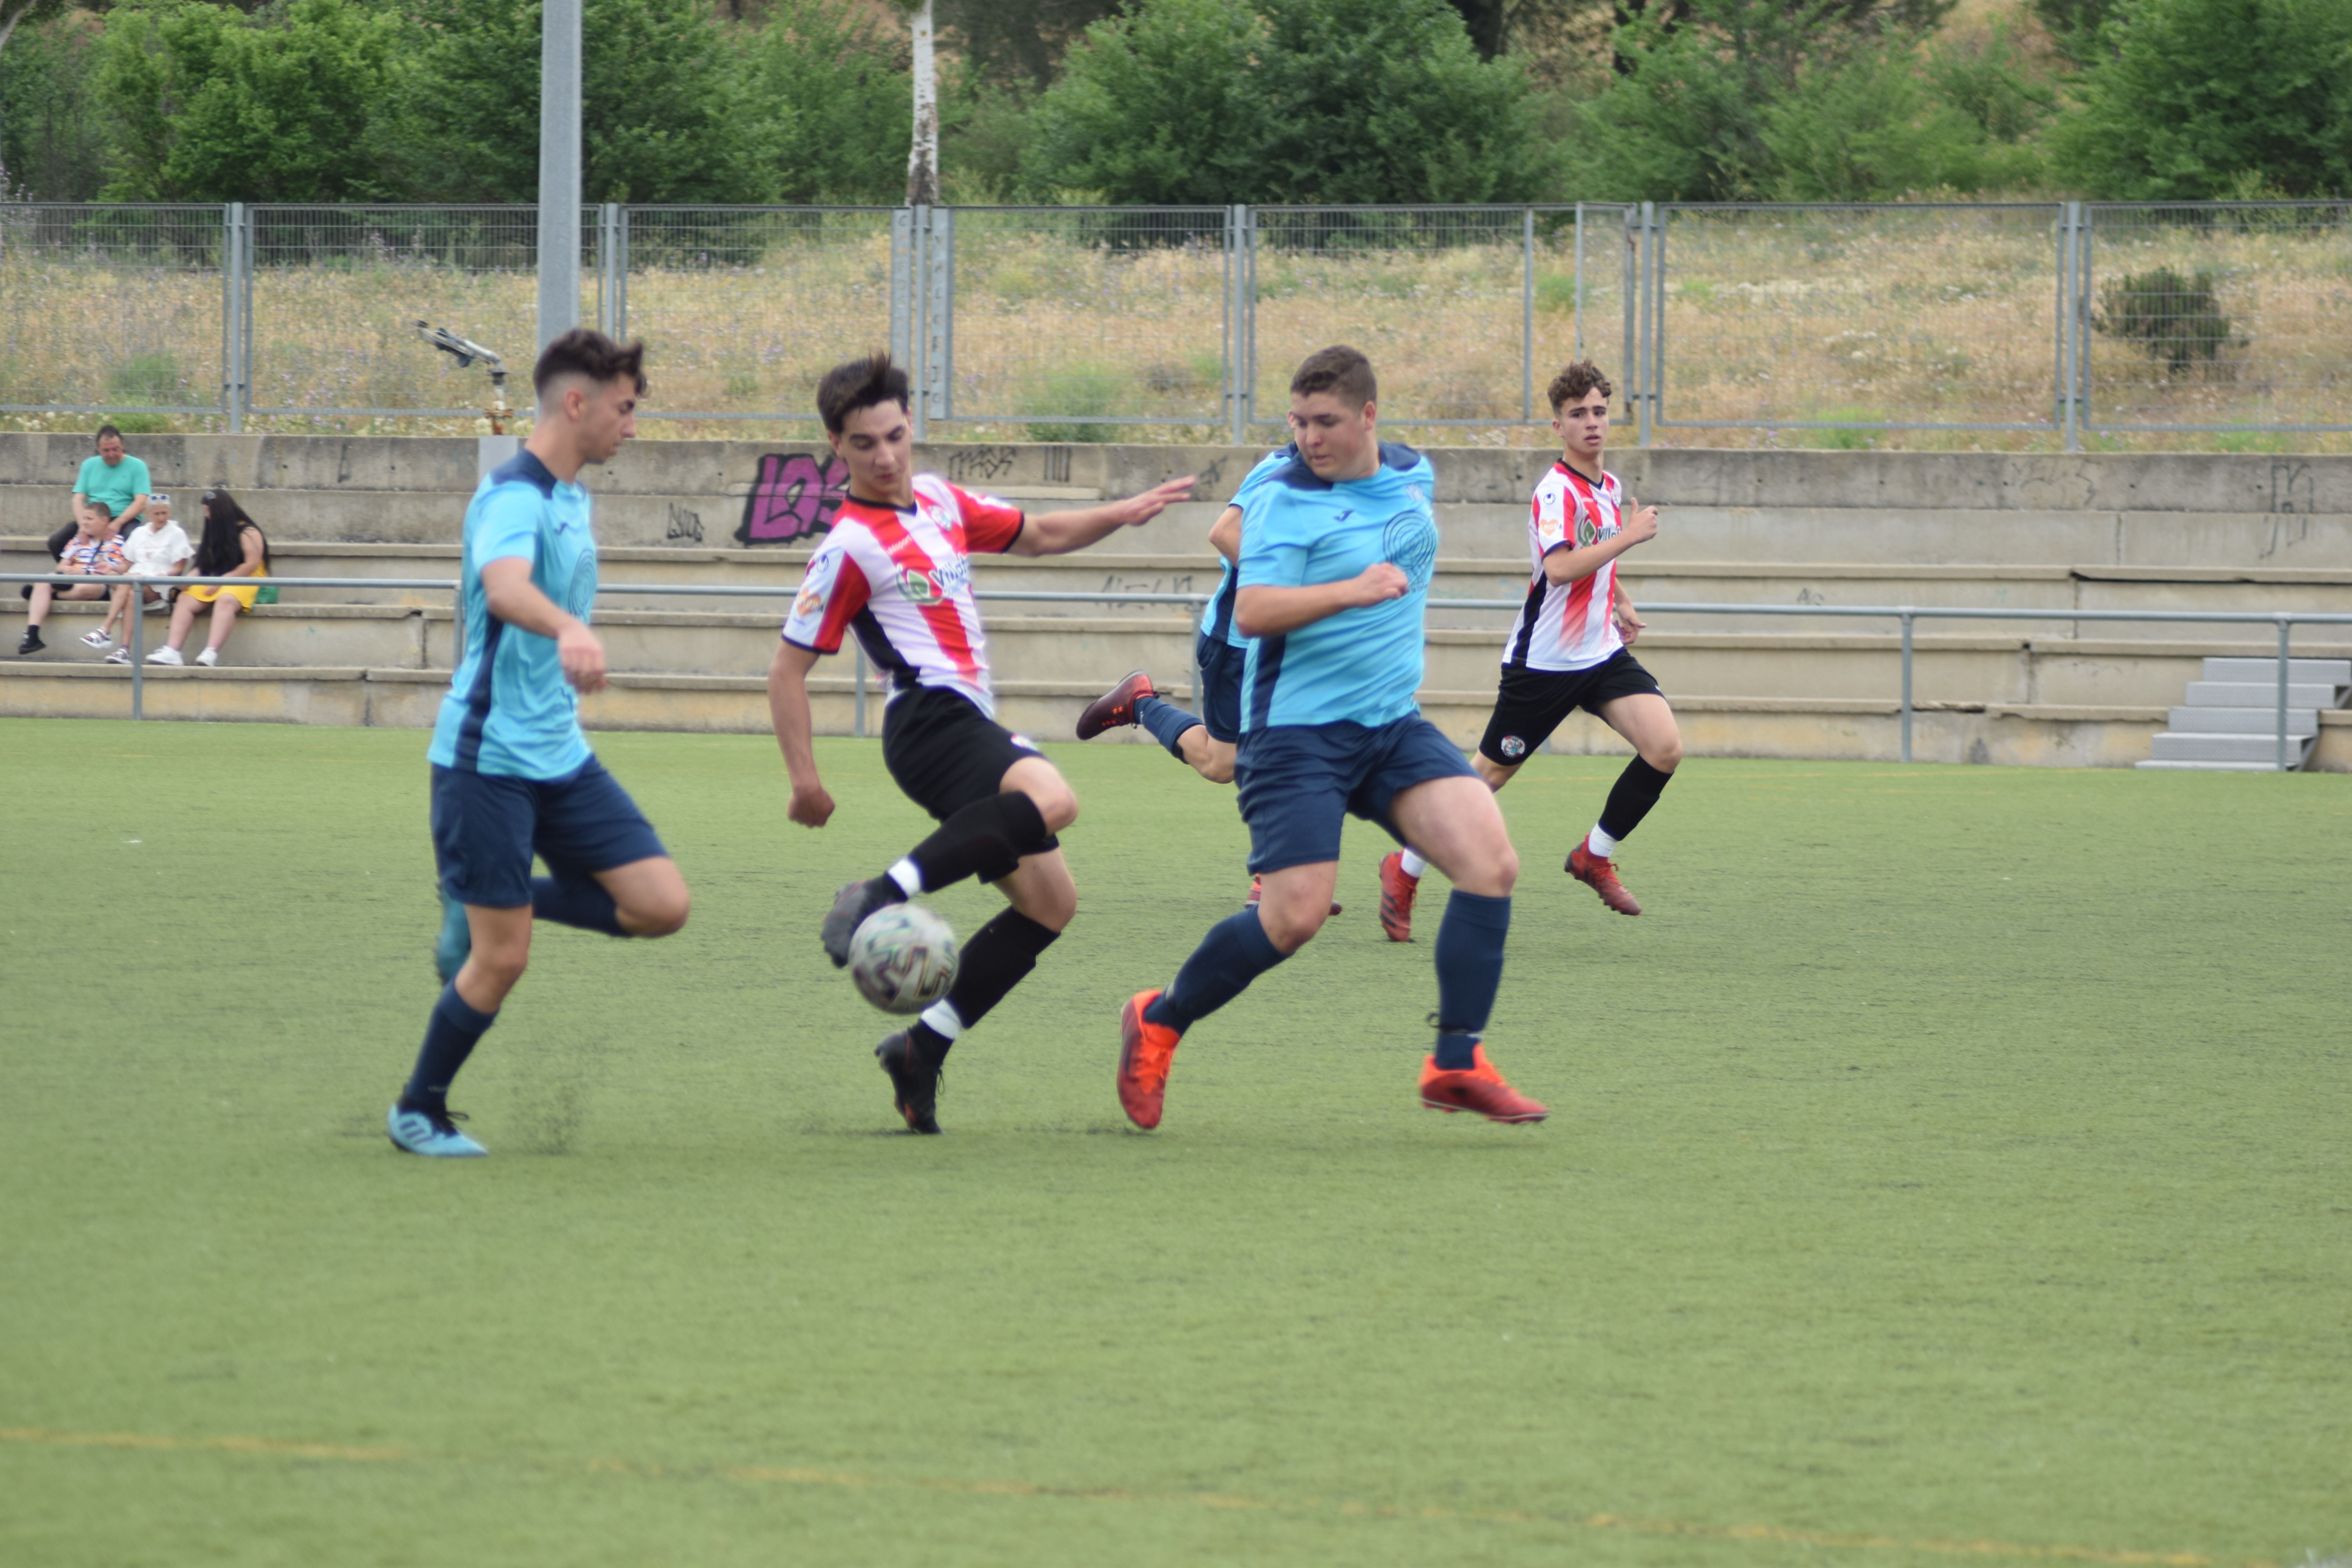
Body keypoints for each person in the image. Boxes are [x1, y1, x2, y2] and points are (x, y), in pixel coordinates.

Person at [1117, 346, 1546, 1131]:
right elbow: (1254, 611)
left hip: (1389, 724)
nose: (1310, 437)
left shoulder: (1415, 474)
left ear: (1369, 417)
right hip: (1297, 735)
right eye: (1299, 421)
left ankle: (1455, 1061)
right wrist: (1353, 588)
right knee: (1294, 918)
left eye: (1327, 422)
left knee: (1491, 861)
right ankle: (1160, 1019)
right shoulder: (1284, 498)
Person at [767, 352, 1195, 1135]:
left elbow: (1036, 533)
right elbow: (786, 669)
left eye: (896, 435)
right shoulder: (848, 546)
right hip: (929, 724)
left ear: (910, 425)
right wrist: (805, 779)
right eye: (865, 444)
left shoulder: (936, 498)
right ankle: (878, 894)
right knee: (1054, 799)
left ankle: (922, 1049)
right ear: (837, 445)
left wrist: (1122, 511)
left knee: (1051, 905)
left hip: (965, 721)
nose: (887, 457)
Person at [386, 328, 692, 1159]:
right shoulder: (512, 495)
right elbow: (506, 587)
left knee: (662, 905)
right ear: (576, 402)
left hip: (559, 756)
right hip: (485, 760)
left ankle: (488, 896)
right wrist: (567, 627)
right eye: (625, 409)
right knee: (500, 960)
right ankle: (420, 1109)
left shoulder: (572, 495)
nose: (632, 426)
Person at [1376, 361, 1683, 938]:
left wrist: (1620, 600)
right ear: (1558, 426)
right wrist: (1631, 536)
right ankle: (1405, 867)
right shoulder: (1553, 492)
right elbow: (1562, 567)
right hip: (1543, 665)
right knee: (1484, 781)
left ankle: (1593, 855)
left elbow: (1596, 557)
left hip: (1601, 656)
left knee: (1664, 748)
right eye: (1578, 415)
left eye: (1598, 411)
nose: (1591, 423)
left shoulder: (1609, 487)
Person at [1073, 439, 1341, 917]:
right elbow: (1224, 533)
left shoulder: (1347, 475)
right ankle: (1140, 704)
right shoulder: (1282, 467)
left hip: (1285, 642)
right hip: (1238, 641)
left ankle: (1282, 873)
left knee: (1293, 746)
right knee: (1226, 764)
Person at [148, 489, 270, 667]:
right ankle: (172, 651)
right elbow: (202, 563)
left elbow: (251, 565)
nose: (207, 515)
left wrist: (222, 581)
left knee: (226, 599)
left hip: (246, 578)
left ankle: (210, 652)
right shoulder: (213, 530)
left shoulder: (248, 531)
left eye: (209, 510)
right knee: (186, 598)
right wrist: (188, 579)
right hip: (217, 576)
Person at [92, 492, 193, 662]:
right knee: (130, 589)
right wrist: (112, 567)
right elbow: (126, 565)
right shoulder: (139, 532)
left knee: (129, 582)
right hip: (135, 583)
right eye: (157, 514)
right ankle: (124, 650)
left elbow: (178, 568)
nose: (162, 518)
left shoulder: (177, 533)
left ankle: (105, 629)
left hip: (158, 586)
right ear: (148, 513)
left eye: (165, 513)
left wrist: (160, 575)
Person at [18, 503, 128, 655]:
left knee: (85, 587)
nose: (84, 523)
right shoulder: (79, 540)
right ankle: (32, 636)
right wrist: (69, 570)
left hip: (98, 584)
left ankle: (45, 595)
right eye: (83, 519)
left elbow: (113, 574)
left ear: (104, 521)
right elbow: (61, 566)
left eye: (89, 519)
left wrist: (84, 573)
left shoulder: (115, 542)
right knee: (43, 580)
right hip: (71, 579)